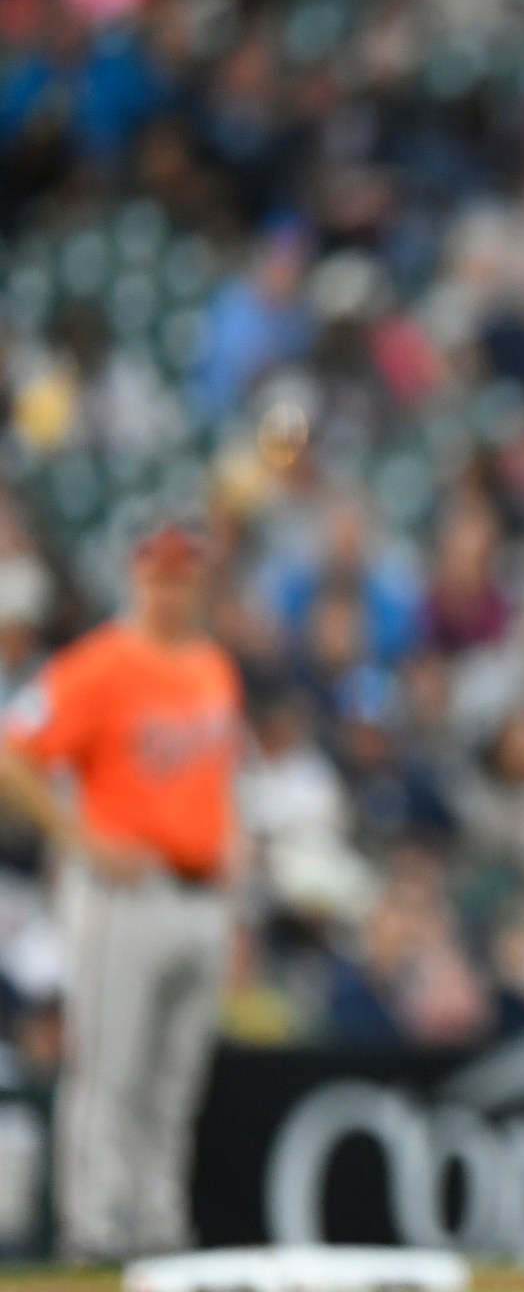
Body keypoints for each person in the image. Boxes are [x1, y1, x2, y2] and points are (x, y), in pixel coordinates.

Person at [0, 520, 242, 1262]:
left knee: (173, 1086)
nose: (171, 586)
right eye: (159, 573)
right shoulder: (99, 664)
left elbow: (214, 778)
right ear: (136, 577)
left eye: (183, 573)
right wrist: (78, 838)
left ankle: (160, 1229)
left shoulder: (212, 666)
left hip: (203, 896)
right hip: (125, 896)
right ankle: (97, 1232)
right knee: (110, 1071)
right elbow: (12, 751)